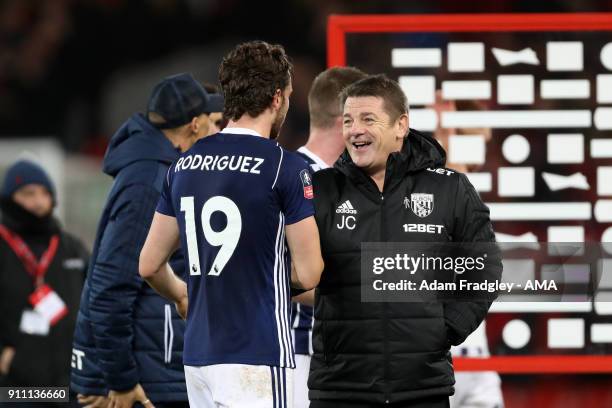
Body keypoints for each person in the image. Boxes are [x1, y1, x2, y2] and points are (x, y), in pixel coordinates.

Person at [139, 40, 324, 408]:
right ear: (276, 98)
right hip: (258, 355)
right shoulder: (285, 168)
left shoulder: (183, 166)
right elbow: (309, 272)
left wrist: (180, 293)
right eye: (287, 95)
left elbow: (148, 264)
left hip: (199, 358)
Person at [307, 74, 501, 407]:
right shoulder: (320, 190)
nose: (355, 130)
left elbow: (487, 267)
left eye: (368, 119)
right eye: (349, 120)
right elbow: (288, 271)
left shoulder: (449, 188)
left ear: (401, 126)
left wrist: (446, 328)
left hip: (424, 388)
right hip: (339, 390)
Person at [70, 73, 223, 408]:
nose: (216, 134)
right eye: (213, 125)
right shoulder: (149, 182)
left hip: (149, 364)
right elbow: (110, 288)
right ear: (195, 125)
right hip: (138, 378)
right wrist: (120, 380)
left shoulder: (158, 170)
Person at [291, 66, 367, 408]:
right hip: (300, 357)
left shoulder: (346, 183)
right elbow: (279, 276)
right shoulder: (292, 180)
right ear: (345, 123)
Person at [430, 92, 504, 408]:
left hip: (477, 359)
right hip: (437, 359)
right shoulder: (425, 193)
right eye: (477, 141)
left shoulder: (478, 191)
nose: (482, 153)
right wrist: (446, 134)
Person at [0, 160, 88, 404]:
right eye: (28, 193)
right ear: (9, 199)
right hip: (14, 389)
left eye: (45, 193)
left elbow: (97, 301)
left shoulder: (70, 246)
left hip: (69, 384)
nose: (39, 201)